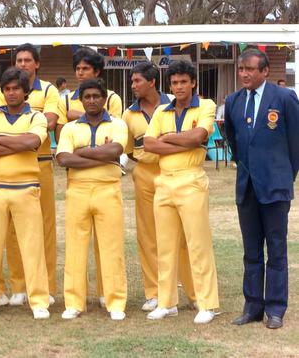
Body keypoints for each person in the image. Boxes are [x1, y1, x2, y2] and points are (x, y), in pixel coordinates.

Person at [225, 49, 299, 329]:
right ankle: (252, 307)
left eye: (251, 69)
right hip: (247, 188)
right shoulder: (232, 101)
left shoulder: (284, 98)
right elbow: (234, 142)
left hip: (276, 187)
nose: (244, 74)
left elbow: (295, 142)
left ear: (265, 71)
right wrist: (248, 169)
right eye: (241, 69)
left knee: (277, 250)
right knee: (251, 251)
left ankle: (276, 309)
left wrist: (285, 175)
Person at [144, 60, 219, 324]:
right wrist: (182, 141)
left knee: (197, 244)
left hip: (191, 181)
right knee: (165, 245)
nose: (178, 87)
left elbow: (198, 136)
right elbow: (149, 144)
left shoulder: (206, 105)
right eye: (174, 83)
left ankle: (207, 304)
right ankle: (166, 302)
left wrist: (169, 138)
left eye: (183, 82)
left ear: (193, 83)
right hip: (164, 182)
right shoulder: (162, 111)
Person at [0, 67, 50, 322]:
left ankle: (38, 300)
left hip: (26, 188)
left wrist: (0, 141)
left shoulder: (36, 117)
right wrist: (16, 143)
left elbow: (32, 143)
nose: (11, 93)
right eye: (6, 89)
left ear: (25, 90)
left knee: (32, 246)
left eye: (16, 88)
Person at [122, 62, 197, 312]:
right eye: (132, 82)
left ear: (152, 82)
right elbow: (131, 151)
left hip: (175, 173)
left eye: (137, 81)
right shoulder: (129, 114)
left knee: (184, 235)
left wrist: (164, 150)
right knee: (148, 234)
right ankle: (155, 293)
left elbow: (193, 140)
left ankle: (194, 293)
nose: (133, 86)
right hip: (144, 174)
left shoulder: (172, 104)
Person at [56, 46, 125, 309]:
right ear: (81, 100)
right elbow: (63, 158)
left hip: (108, 189)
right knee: (75, 247)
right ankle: (74, 303)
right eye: (87, 97)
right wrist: (100, 154)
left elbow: (116, 151)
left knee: (111, 247)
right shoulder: (72, 127)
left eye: (97, 96)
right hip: (78, 190)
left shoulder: (116, 124)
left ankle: (114, 302)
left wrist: (82, 153)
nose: (92, 100)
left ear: (104, 99)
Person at [0, 43, 59, 306]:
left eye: (27, 60)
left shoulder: (49, 90)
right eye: (18, 60)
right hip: (10, 165)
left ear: (37, 64)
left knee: (45, 228)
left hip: (40, 163)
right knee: (12, 229)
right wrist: (28, 132)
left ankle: (47, 286)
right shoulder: (5, 89)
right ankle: (19, 286)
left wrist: (18, 134)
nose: (22, 64)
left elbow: (50, 123)